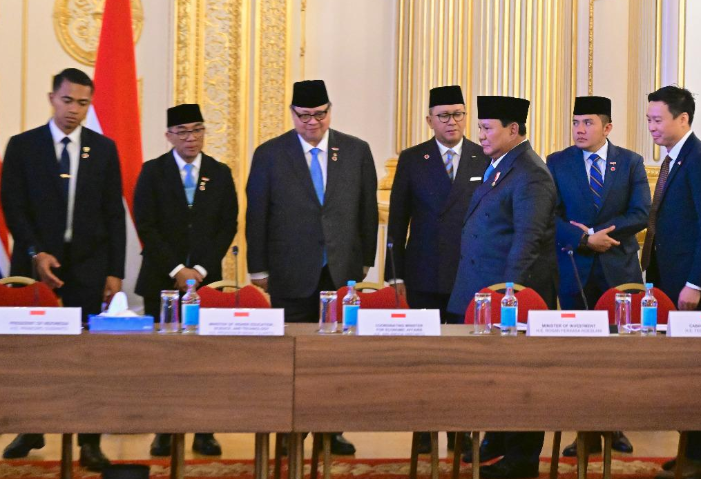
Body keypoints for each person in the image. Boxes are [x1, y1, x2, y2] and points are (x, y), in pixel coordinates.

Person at [0, 68, 125, 470]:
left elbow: (113, 214)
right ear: (52, 98)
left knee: (86, 358)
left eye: (83, 103)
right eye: (67, 100)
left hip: (88, 268)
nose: (74, 109)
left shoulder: (103, 149)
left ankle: (89, 441)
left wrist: (115, 272)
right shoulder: (23, 146)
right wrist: (35, 252)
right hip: (34, 269)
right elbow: (13, 206)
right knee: (33, 355)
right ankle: (31, 427)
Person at [246, 79, 378, 455]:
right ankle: (291, 434)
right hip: (289, 271)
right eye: (304, 116)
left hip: (340, 269)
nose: (312, 122)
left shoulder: (355, 150)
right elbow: (257, 215)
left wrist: (366, 259)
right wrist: (258, 268)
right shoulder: (270, 154)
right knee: (293, 355)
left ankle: (331, 430)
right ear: (292, 114)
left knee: (336, 356)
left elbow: (367, 210)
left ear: (329, 111)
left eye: (320, 114)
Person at [448, 96, 557, 479]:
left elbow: (527, 241)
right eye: (480, 127)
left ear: (513, 130)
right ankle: (499, 441)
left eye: (487, 128)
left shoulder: (531, 173)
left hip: (510, 299)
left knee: (519, 379)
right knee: (494, 377)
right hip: (482, 293)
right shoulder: (500, 165)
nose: (480, 135)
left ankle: (521, 460)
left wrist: (508, 298)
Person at [546, 95, 648, 458]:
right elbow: (550, 215)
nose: (579, 129)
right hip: (575, 267)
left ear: (607, 127)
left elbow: (641, 212)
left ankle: (615, 424)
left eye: (587, 123)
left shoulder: (631, 162)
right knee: (580, 354)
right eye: (575, 122)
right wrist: (585, 239)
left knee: (618, 354)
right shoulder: (557, 162)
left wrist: (603, 234)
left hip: (619, 269)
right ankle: (584, 431)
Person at [133, 103, 237, 458]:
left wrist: (200, 271)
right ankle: (164, 430)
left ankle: (205, 431)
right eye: (182, 132)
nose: (191, 138)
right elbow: (146, 225)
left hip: (207, 284)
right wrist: (178, 270)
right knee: (163, 361)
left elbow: (228, 225)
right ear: (169, 136)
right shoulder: (152, 172)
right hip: (161, 281)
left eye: (197, 130)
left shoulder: (219, 173)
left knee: (205, 360)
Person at [385, 85, 483, 454]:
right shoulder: (413, 159)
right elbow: (398, 220)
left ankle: (461, 433)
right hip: (423, 272)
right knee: (424, 356)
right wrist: (394, 274)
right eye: (444, 116)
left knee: (463, 359)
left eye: (458, 114)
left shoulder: (482, 156)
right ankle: (424, 431)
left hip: (467, 272)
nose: (452, 121)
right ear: (430, 120)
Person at [642, 86, 701, 479]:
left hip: (694, 287)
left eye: (658, 120)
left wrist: (696, 283)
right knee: (682, 376)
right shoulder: (674, 159)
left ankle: (699, 459)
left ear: (683, 119)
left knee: (696, 379)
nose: (652, 127)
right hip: (669, 282)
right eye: (649, 119)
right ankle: (689, 452)